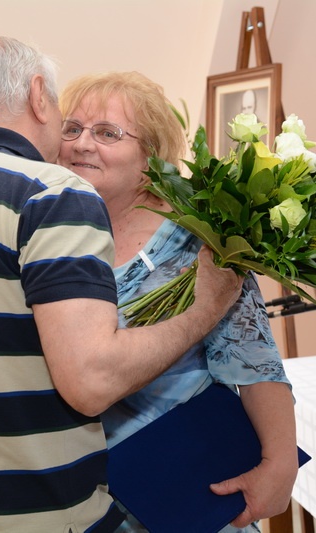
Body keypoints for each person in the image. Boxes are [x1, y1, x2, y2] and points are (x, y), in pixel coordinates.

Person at [0, 36, 242, 533]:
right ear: (38, 95)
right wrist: (206, 308)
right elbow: (92, 383)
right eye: (65, 116)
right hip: (19, 512)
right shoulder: (50, 194)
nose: (75, 140)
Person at [58, 71, 298, 532]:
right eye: (72, 129)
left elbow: (254, 361)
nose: (82, 144)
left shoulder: (198, 240)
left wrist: (279, 462)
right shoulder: (49, 234)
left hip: (187, 489)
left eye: (107, 133)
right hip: (82, 498)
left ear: (151, 155)